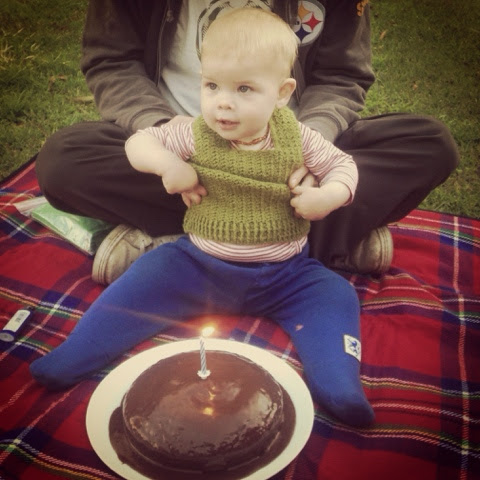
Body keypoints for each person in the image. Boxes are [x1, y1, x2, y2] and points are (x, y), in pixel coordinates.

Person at [31, 8, 375, 428]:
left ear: (282, 92)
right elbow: (140, 142)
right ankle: (74, 355)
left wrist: (328, 196)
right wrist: (168, 165)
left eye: (244, 89)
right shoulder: (194, 131)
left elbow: (343, 165)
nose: (222, 102)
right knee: (141, 282)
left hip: (287, 275)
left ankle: (339, 386)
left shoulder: (300, 137)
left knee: (336, 296)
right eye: (211, 85)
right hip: (197, 266)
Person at [34, 0, 459, 285]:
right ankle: (329, 243)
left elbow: (342, 76)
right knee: (65, 161)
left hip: (293, 159)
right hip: (186, 159)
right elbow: (111, 61)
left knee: (428, 143)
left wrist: (311, 146)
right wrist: (163, 141)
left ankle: (182, 250)